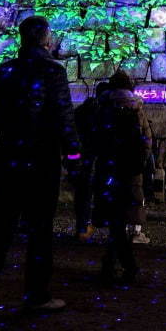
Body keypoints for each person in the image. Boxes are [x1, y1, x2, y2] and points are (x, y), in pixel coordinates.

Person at [0, 16, 81, 313]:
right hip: (42, 158)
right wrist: (74, 158)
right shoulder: (52, 72)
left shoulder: (5, 71)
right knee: (40, 229)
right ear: (45, 39)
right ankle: (36, 294)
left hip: (11, 157)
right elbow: (64, 118)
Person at [91, 74, 148, 284]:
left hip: (109, 170)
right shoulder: (137, 108)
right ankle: (118, 266)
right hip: (130, 172)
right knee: (120, 221)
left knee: (116, 221)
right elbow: (147, 140)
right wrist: (140, 165)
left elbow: (95, 139)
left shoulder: (104, 108)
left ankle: (120, 266)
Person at [70, 80, 103, 241]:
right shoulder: (103, 114)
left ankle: (81, 226)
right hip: (96, 159)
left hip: (80, 158)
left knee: (82, 194)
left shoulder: (81, 111)